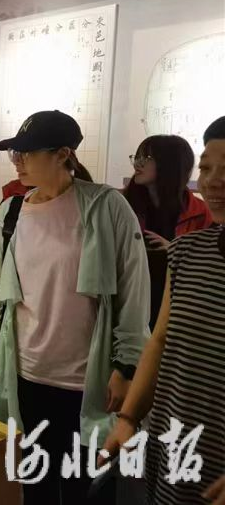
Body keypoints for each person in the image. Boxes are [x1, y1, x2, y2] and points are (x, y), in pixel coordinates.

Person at [0, 110, 150, 505]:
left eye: (27, 153)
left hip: (86, 382)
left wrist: (127, 366)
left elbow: (133, 293)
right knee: (32, 484)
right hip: (25, 374)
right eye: (15, 153)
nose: (17, 161)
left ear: (63, 154)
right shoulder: (12, 211)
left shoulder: (106, 207)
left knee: (82, 489)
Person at [102, 116, 225, 505]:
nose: (213, 181)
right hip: (174, 430)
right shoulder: (188, 250)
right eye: (207, 168)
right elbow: (159, 340)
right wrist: (129, 417)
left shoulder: (191, 219)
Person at [123, 135, 213, 329]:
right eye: (137, 157)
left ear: (169, 164)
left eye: (146, 158)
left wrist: (175, 249)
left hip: (177, 306)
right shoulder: (122, 204)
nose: (137, 163)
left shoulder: (200, 212)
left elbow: (209, 267)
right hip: (129, 299)